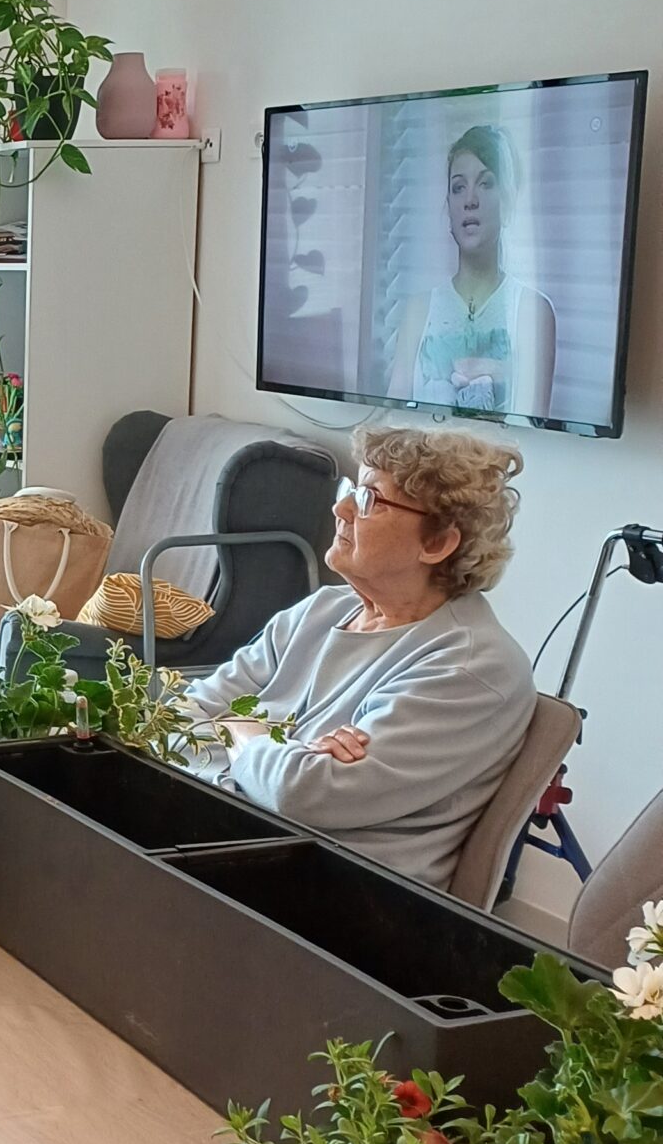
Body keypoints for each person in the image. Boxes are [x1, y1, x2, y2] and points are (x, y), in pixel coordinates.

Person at [184, 426, 536, 889]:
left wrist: (241, 731)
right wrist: (269, 753)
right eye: (351, 489)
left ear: (436, 543)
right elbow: (181, 715)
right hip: (235, 845)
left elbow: (301, 794)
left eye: (370, 499)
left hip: (333, 892)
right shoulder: (321, 610)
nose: (341, 508)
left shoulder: (472, 668)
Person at [394, 124, 556, 420]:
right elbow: (393, 423)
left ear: (507, 202)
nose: (470, 200)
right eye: (458, 187)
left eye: (486, 183)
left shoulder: (532, 311)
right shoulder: (418, 310)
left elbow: (533, 431)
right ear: (449, 208)